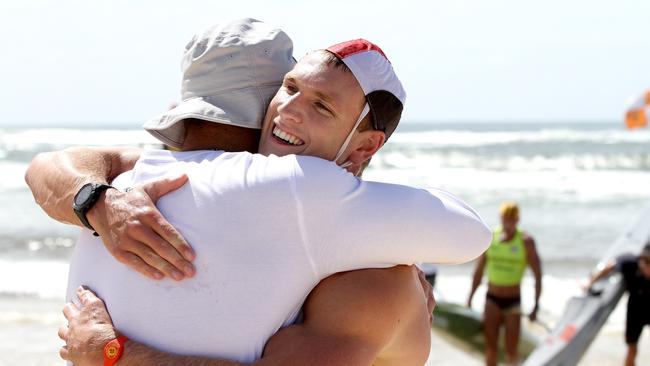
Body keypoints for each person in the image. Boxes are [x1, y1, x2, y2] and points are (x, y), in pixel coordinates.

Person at [27, 19, 491, 365]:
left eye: (321, 106)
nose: (289, 110)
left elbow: (43, 168)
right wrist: (116, 355)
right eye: (288, 88)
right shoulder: (306, 193)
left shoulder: (124, 179)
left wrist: (97, 202)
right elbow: (470, 233)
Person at [466, 202, 542, 366]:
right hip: (492, 299)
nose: (508, 223)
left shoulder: (526, 242)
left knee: (511, 351)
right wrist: (470, 298)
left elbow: (538, 275)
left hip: (513, 301)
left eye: (511, 219)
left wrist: (536, 305)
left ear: (517, 220)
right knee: (491, 348)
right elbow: (478, 272)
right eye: (505, 219)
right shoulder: (491, 238)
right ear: (501, 218)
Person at [585, 243, 650, 366]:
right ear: (640, 259)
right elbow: (609, 267)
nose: (648, 267)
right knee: (632, 347)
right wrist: (590, 283)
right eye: (646, 262)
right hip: (635, 310)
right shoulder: (630, 262)